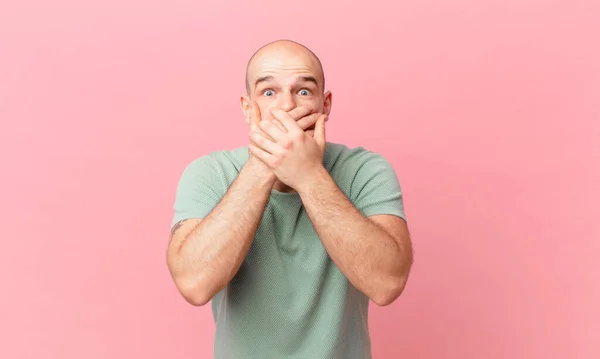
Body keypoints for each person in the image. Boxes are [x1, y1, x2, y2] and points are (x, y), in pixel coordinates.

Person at [166, 39, 413, 359]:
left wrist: (309, 175)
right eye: (269, 92)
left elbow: (387, 284)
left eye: (303, 91)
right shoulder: (210, 173)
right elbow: (194, 285)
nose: (286, 106)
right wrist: (262, 166)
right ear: (246, 107)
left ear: (326, 105)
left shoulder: (364, 170)